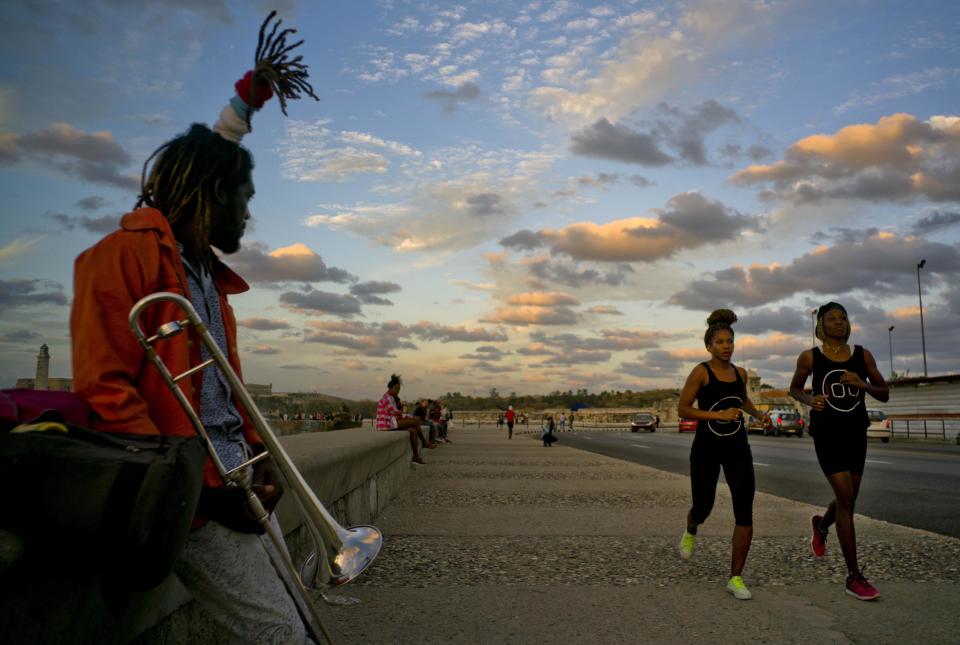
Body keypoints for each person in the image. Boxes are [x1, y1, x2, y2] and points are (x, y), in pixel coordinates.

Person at [70, 12, 322, 642]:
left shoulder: (204, 273)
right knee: (280, 636)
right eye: (245, 198)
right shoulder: (120, 258)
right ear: (213, 192)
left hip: (233, 483)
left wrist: (258, 463)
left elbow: (219, 398)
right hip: (191, 500)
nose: (249, 212)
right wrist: (198, 498)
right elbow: (105, 391)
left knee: (299, 619)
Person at [789, 302, 889, 601]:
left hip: (856, 432)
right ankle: (854, 577)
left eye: (843, 318)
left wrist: (863, 384)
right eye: (832, 319)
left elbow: (884, 394)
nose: (839, 323)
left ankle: (821, 525)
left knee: (849, 497)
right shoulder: (810, 357)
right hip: (827, 433)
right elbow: (794, 389)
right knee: (846, 499)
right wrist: (810, 401)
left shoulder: (862, 355)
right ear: (821, 325)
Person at [676, 309, 770, 601]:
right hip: (706, 448)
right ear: (709, 346)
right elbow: (684, 409)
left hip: (738, 448)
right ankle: (691, 528)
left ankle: (736, 577)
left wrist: (758, 415)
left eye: (730, 341)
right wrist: (716, 414)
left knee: (744, 510)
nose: (726, 346)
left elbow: (741, 400)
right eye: (720, 342)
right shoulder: (700, 372)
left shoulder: (740, 373)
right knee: (703, 506)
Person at [376, 375, 435, 464]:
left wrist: (405, 415)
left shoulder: (390, 397)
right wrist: (410, 416)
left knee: (413, 430)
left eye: (399, 389)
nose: (398, 391)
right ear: (391, 388)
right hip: (387, 424)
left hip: (389, 422)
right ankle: (424, 442)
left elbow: (396, 413)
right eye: (396, 389)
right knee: (415, 422)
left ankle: (415, 456)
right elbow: (396, 413)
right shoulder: (388, 397)